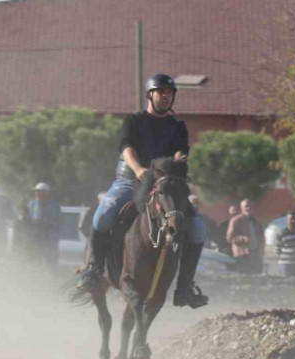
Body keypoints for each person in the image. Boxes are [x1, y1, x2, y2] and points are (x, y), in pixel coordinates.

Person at [75, 73, 208, 309]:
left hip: (165, 185)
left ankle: (185, 287)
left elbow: (180, 152)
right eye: (162, 92)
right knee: (104, 213)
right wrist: (138, 169)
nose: (166, 96)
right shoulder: (134, 121)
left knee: (197, 228)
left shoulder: (178, 127)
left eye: (170, 93)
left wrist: (178, 161)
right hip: (130, 179)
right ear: (150, 95)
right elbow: (126, 148)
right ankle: (93, 270)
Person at [227, 199, 265, 274]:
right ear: (242, 208)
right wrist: (242, 238)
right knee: (244, 279)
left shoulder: (256, 222)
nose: (248, 208)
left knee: (256, 277)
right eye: (246, 206)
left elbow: (261, 237)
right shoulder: (235, 221)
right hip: (242, 255)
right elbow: (229, 238)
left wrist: (261, 250)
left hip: (255, 254)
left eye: (250, 206)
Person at [28, 182, 61, 267]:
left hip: (50, 238)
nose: (37, 193)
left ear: (46, 193)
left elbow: (60, 221)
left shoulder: (54, 205)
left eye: (39, 191)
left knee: (51, 261)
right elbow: (28, 219)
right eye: (36, 191)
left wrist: (49, 222)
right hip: (36, 237)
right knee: (35, 260)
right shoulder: (32, 204)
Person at [276, 210, 295, 277]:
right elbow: (278, 250)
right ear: (287, 220)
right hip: (284, 265)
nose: (293, 221)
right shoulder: (281, 233)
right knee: (283, 284)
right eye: (291, 219)